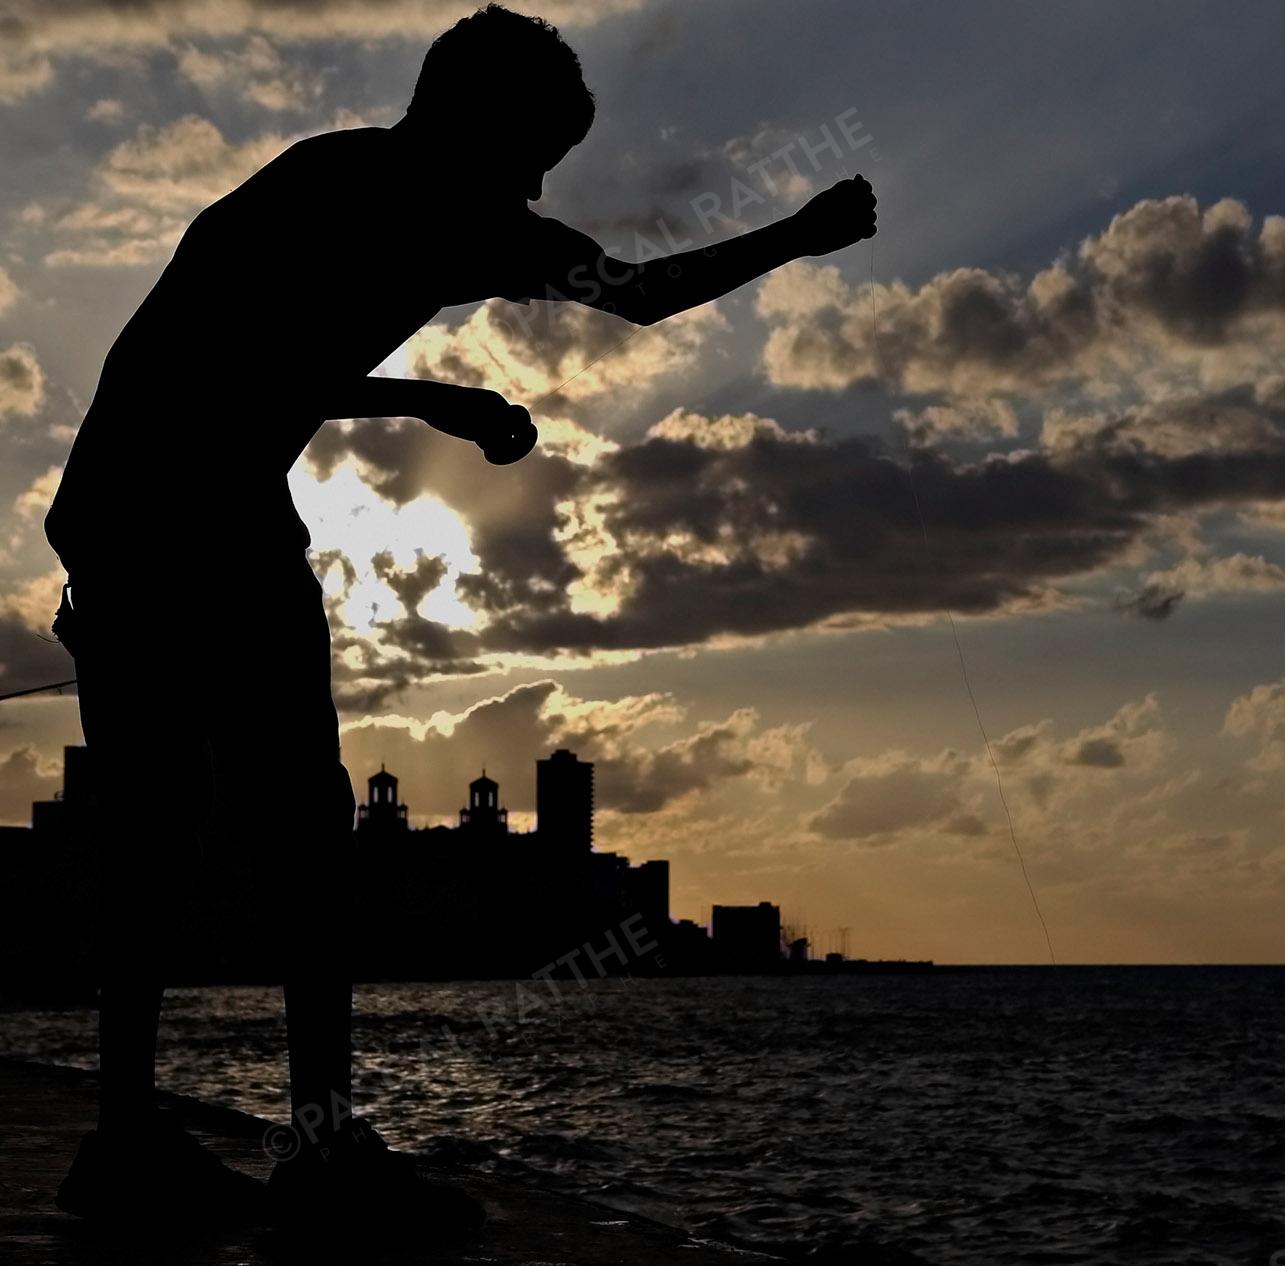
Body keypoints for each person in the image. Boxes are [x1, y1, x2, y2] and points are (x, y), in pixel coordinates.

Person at [43, 3, 876, 1231]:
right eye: (534, 150)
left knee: (167, 851)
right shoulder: (348, 194)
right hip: (185, 524)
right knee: (297, 850)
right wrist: (433, 396)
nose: (540, 182)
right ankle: (305, 1156)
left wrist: (791, 242)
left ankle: (128, 1145)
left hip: (125, 520)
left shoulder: (405, 204)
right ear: (471, 120)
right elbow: (231, 368)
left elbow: (632, 296)